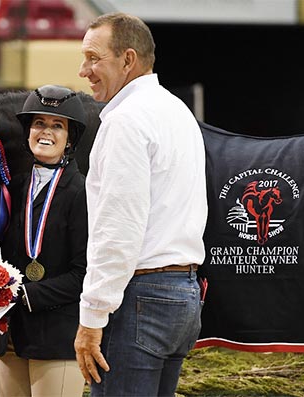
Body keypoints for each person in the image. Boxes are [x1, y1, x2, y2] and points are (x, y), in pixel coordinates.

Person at [74, 12, 208, 397]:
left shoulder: (125, 121)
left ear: (128, 60)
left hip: (140, 296)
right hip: (182, 294)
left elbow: (118, 228)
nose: (84, 70)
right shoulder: (177, 111)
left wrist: (92, 316)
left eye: (94, 58)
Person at [0, 85, 88, 397]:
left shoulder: (82, 193)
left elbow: (83, 274)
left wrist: (24, 294)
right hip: (10, 337)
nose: (46, 132)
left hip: (57, 337)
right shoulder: (13, 188)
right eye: (39, 123)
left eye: (57, 126)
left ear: (70, 138)